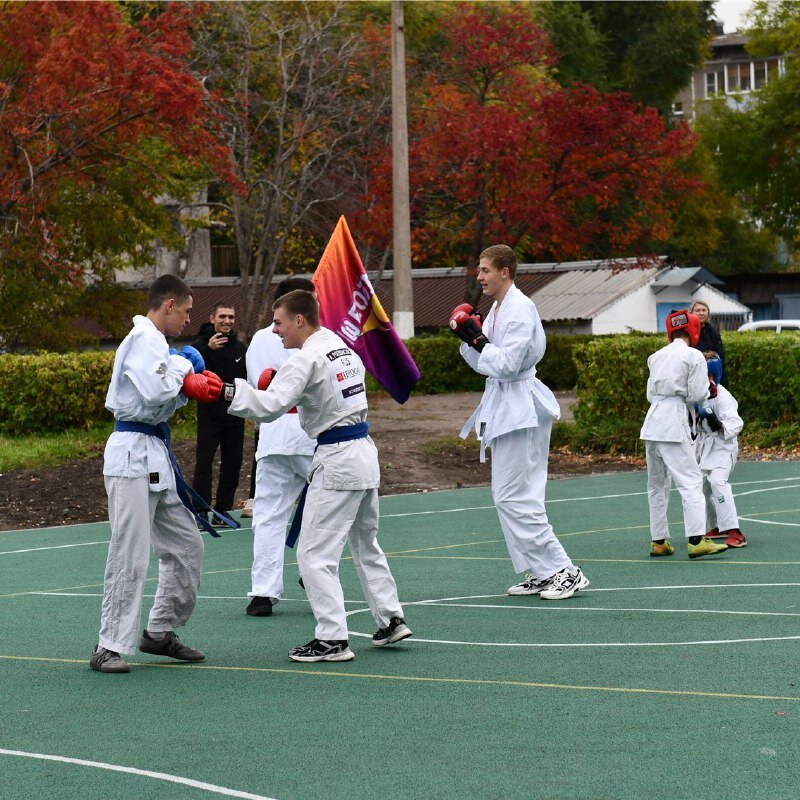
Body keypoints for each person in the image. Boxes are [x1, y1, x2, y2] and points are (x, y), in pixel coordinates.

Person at [225, 290, 412, 662]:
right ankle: (391, 619)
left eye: (279, 322)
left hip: (337, 457)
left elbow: (269, 407)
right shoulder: (342, 349)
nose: (275, 331)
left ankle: (332, 638)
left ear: (299, 320)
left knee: (313, 554)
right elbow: (325, 395)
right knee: (365, 544)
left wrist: (226, 392)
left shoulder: (305, 358)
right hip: (363, 452)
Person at [90, 274, 224, 674]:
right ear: (169, 304)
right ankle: (108, 646)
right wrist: (185, 367)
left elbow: (164, 397)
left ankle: (160, 631)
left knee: (187, 546)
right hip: (130, 452)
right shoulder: (143, 339)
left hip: (153, 453)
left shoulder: (158, 345)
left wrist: (188, 385)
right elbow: (155, 391)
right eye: (186, 311)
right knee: (130, 554)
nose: (189, 319)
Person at [450, 244, 589, 600]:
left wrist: (478, 340)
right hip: (506, 404)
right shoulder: (499, 309)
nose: (479, 277)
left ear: (505, 272)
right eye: (479, 270)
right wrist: (469, 341)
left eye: (484, 270)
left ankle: (564, 569)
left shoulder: (520, 309)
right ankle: (543, 571)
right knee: (507, 496)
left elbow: (508, 364)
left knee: (516, 495)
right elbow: (486, 364)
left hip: (521, 405)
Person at [243, 277, 316, 617]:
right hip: (308, 432)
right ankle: (313, 573)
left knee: (268, 514)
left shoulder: (258, 340)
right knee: (326, 511)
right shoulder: (313, 339)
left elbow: (257, 388)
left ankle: (262, 592)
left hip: (272, 433)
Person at [639, 309, 729, 560]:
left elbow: (649, 394)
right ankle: (697, 540)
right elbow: (697, 394)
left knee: (657, 484)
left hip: (652, 422)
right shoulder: (693, 355)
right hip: (674, 420)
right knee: (690, 481)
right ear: (693, 330)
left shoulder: (655, 356)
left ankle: (659, 541)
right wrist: (707, 391)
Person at [191, 303, 248, 523]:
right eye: (222, 316)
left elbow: (247, 379)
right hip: (209, 415)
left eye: (231, 317)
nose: (227, 321)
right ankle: (200, 510)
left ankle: (222, 511)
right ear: (212, 318)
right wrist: (208, 349)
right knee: (204, 463)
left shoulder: (240, 348)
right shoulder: (199, 346)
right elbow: (187, 370)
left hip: (235, 414)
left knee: (233, 463)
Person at [695, 351, 747, 548]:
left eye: (706, 375)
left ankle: (735, 531)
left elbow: (736, 423)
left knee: (717, 482)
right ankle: (717, 526)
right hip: (703, 447)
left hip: (724, 447)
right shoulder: (697, 396)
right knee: (701, 486)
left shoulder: (723, 397)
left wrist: (717, 424)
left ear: (714, 375)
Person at [689, 300, 727, 386]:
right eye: (698, 310)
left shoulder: (714, 334)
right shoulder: (687, 333)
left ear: (708, 313)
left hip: (712, 380)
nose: (701, 313)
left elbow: (721, 360)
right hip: (692, 378)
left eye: (704, 310)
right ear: (691, 313)